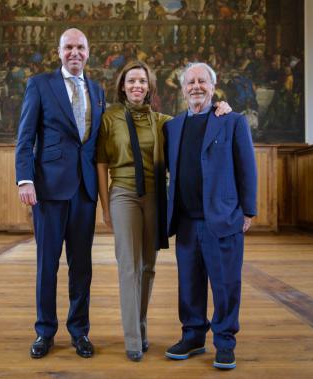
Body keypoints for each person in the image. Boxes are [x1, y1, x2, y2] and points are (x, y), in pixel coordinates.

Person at [96, 61, 231, 362]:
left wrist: (221, 107)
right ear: (122, 85)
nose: (137, 86)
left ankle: (141, 327)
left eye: (142, 81)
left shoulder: (164, 122)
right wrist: (105, 208)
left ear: (150, 87)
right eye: (131, 81)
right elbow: (101, 163)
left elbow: (197, 124)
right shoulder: (109, 118)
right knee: (129, 266)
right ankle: (132, 339)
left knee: (148, 267)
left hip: (156, 197)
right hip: (124, 194)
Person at [15, 28, 106, 359]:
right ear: (59, 51)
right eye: (68, 47)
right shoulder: (40, 85)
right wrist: (24, 179)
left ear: (88, 51)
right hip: (49, 190)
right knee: (47, 264)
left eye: (80, 47)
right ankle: (44, 331)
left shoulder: (97, 91)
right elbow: (25, 136)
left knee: (81, 266)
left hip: (84, 191)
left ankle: (80, 331)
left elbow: (97, 141)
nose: (75, 53)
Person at [163, 62, 257, 370]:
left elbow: (247, 168)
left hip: (223, 218)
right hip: (186, 221)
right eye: (190, 82)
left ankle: (225, 342)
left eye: (202, 81)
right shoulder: (173, 127)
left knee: (226, 284)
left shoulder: (232, 121)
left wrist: (249, 210)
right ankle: (192, 335)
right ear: (183, 88)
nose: (196, 86)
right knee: (189, 284)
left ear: (213, 86)